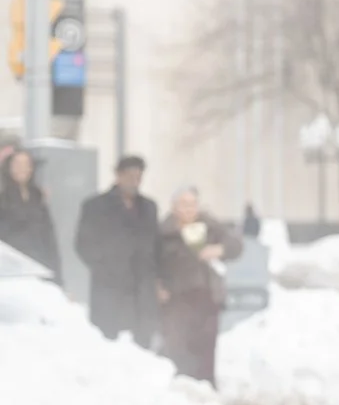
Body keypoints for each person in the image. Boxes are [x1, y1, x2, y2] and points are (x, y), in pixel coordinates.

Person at [157, 186, 243, 383]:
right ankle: (181, 387)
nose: (189, 209)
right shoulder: (164, 232)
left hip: (207, 296)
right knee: (177, 346)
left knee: (205, 348)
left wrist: (218, 250)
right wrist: (158, 285)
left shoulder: (210, 227)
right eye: (184, 204)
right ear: (174, 207)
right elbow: (153, 262)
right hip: (176, 298)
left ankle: (205, 387)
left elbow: (235, 245)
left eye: (192, 204)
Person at [75, 155, 161, 347]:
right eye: (130, 176)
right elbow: (83, 244)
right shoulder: (96, 206)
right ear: (118, 176)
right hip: (109, 289)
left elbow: (156, 246)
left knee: (141, 346)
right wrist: (104, 267)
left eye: (138, 177)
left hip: (140, 290)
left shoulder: (148, 207)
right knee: (109, 345)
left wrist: (156, 279)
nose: (134, 181)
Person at [0, 148, 62, 280]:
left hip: (40, 265)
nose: (23, 169)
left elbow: (49, 238)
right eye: (17, 164)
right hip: (12, 269)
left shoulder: (38, 198)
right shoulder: (3, 198)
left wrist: (57, 276)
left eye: (27, 165)